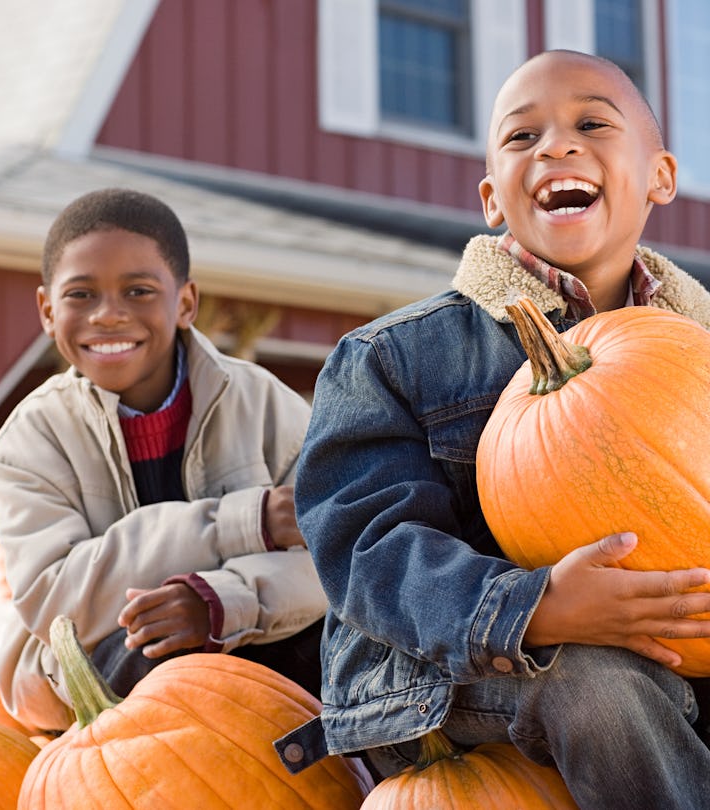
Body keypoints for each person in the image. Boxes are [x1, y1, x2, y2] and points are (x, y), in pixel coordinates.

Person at [274, 50, 710, 808]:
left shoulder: (696, 350)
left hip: (677, 647)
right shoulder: (394, 358)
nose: (556, 146)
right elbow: (366, 548)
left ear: (660, 177)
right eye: (521, 137)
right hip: (445, 677)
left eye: (591, 124)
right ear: (491, 199)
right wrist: (532, 606)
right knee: (602, 688)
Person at [0, 188, 326, 736]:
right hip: (94, 671)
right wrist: (246, 522)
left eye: (139, 290)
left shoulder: (263, 404)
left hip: (256, 636)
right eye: (81, 294)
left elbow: (339, 553)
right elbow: (55, 596)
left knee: (355, 639)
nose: (109, 315)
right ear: (48, 311)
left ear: (185, 302)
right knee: (146, 650)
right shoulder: (27, 441)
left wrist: (218, 603)